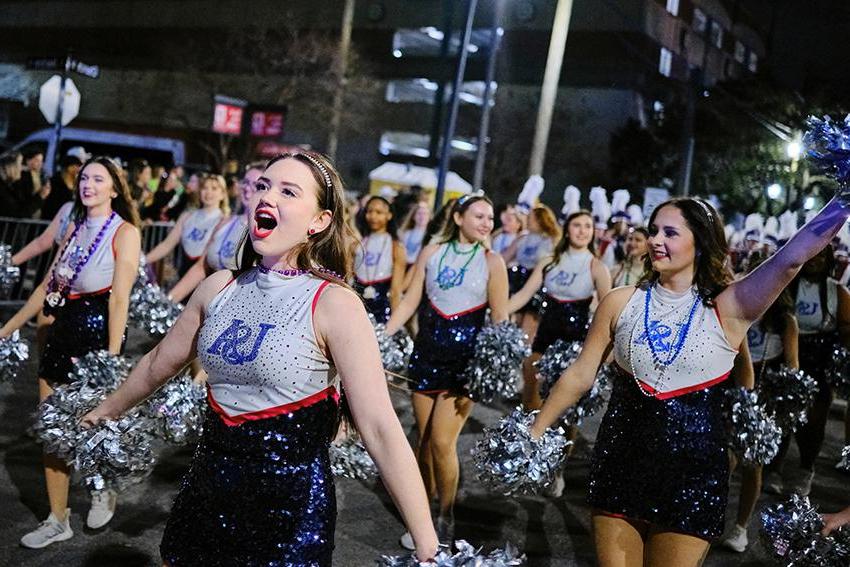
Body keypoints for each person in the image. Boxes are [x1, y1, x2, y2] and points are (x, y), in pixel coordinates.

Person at [81, 152, 438, 564]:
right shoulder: (219, 286)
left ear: (319, 221)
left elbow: (379, 428)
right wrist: (104, 411)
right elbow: (158, 360)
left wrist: (427, 544)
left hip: (287, 512)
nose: (267, 197)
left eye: (288, 191)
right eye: (264, 186)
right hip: (205, 493)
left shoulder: (334, 304)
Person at [528, 195, 850, 566]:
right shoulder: (619, 302)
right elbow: (581, 373)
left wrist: (843, 199)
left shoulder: (730, 307)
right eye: (652, 231)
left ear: (700, 242)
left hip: (691, 477)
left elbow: (790, 260)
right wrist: (537, 430)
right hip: (620, 463)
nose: (654, 240)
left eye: (669, 232)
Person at [0, 156, 141, 548]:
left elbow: (120, 300)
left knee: (95, 426)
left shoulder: (125, 232)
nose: (88, 184)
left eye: (98, 178)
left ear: (115, 187)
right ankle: (56, 518)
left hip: (98, 334)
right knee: (53, 430)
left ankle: (102, 487)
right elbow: (49, 287)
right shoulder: (75, 229)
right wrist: (7, 329)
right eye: (83, 178)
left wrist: (112, 356)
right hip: (63, 328)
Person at [384, 194, 509, 548]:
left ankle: (446, 514)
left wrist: (495, 362)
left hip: (464, 364)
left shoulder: (492, 260)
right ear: (457, 217)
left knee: (442, 441)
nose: (487, 222)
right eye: (479, 216)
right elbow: (410, 301)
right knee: (423, 441)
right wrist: (383, 335)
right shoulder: (432, 253)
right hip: (426, 355)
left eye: (490, 217)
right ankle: (423, 517)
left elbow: (500, 317)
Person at [723, 254, 799, 553]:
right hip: (728, 387)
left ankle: (740, 527)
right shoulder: (736, 306)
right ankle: (709, 515)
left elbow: (792, 366)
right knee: (722, 459)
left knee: (753, 465)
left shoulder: (785, 321)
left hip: (763, 397)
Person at [763, 245, 850, 496]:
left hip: (818, 364)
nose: (815, 260)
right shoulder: (785, 284)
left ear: (829, 260)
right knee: (780, 417)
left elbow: (846, 329)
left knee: (814, 420)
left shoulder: (837, 291)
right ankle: (774, 468)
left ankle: (805, 469)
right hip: (785, 359)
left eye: (822, 256)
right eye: (811, 254)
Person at [167, 164, 263, 303]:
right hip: (207, 303)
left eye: (256, 185)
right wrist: (169, 299)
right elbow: (200, 267)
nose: (248, 188)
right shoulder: (225, 222)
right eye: (245, 182)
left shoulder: (266, 232)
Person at [144, 174, 229, 278]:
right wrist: (143, 260)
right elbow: (167, 244)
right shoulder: (187, 216)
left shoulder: (225, 221)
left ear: (223, 194)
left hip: (208, 279)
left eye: (214, 188)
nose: (208, 192)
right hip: (183, 276)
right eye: (205, 188)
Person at [501, 204, 561, 341]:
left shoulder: (551, 240)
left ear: (541, 220)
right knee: (515, 324)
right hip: (520, 283)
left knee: (529, 326)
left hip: (540, 285)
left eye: (531, 218)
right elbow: (504, 258)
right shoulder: (522, 238)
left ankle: (525, 354)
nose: (527, 220)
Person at [352, 195, 406, 323]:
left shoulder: (396, 247)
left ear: (389, 215)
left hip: (382, 310)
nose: (373, 216)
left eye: (379, 212)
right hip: (356, 306)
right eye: (369, 211)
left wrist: (396, 321)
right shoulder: (357, 244)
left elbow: (396, 290)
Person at [42, 154, 83, 220]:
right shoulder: (55, 181)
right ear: (69, 168)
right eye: (76, 166)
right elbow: (52, 204)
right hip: (52, 219)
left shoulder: (76, 183)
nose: (78, 170)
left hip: (66, 219)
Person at [399, 201, 431, 269]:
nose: (422, 216)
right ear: (413, 216)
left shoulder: (431, 236)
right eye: (419, 213)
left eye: (425, 214)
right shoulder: (405, 233)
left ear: (429, 217)